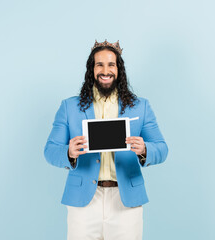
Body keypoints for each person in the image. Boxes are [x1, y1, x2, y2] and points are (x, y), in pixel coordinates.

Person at [44, 40, 168, 240]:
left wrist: (145, 149)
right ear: (91, 70)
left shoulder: (141, 107)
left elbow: (162, 148)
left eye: (111, 64)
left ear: (119, 69)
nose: (105, 70)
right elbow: (50, 150)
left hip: (125, 198)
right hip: (84, 200)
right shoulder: (69, 107)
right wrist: (68, 152)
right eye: (99, 64)